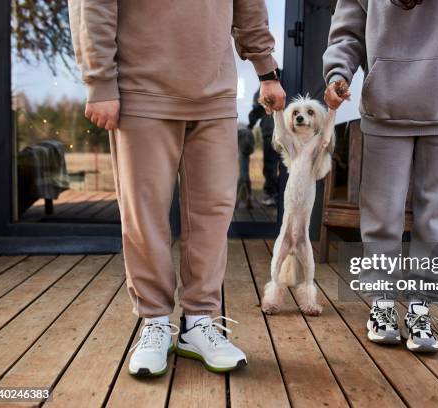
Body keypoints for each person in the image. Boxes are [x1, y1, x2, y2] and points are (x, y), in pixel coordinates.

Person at [69, 0, 286, 376]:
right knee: (145, 213)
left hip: (214, 90)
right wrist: (100, 79)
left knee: (214, 211)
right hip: (141, 88)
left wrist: (266, 70)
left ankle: (198, 322)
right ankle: (154, 321)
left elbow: (248, 4)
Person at [323, 0, 438, 352]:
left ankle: (421, 307)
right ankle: (381, 302)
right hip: (385, 106)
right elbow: (349, 27)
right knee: (381, 213)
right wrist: (338, 73)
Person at [248, 89, 280, 207]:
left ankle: (271, 194)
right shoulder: (288, 82)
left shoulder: (263, 88)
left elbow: (256, 110)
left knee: (270, 165)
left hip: (271, 131)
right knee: (285, 165)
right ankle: (278, 193)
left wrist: (250, 125)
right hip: (285, 131)